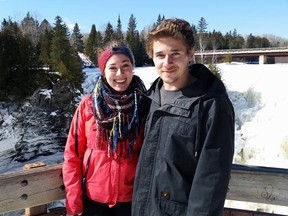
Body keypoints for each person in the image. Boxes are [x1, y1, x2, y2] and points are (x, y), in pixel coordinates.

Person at [132, 18, 235, 216]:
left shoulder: (211, 104)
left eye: (175, 54)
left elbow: (211, 181)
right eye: (160, 55)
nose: (167, 63)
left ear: (190, 54)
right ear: (151, 57)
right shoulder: (151, 98)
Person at [63, 41, 147, 216]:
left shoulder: (145, 105)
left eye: (126, 66)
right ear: (103, 71)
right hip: (93, 202)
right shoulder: (88, 106)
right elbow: (72, 156)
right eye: (112, 67)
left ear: (133, 68)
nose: (120, 73)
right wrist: (74, 203)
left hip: (132, 202)